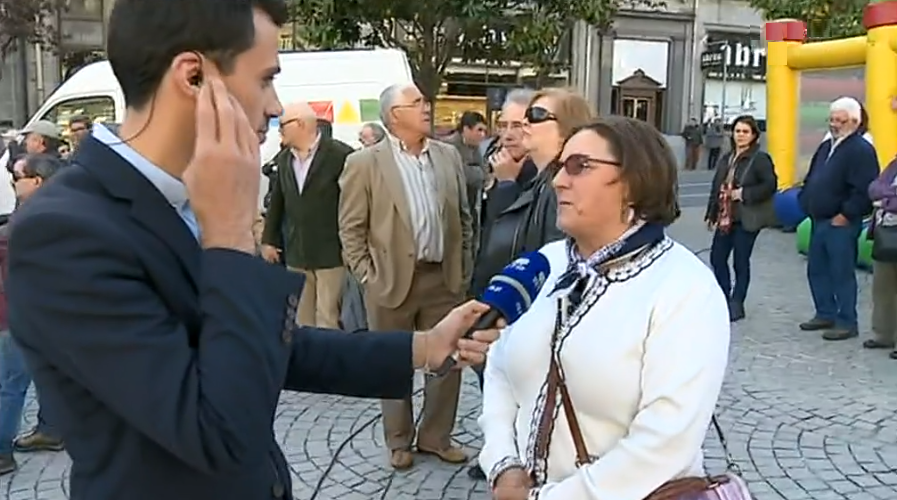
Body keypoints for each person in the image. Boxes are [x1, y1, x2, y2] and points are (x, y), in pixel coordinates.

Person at [6, 2, 499, 499]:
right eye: (265, 79)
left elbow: (267, 344)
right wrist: (229, 237)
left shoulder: (186, 197)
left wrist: (423, 346)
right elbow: (215, 433)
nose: (277, 106)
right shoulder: (63, 233)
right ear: (194, 77)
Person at [478, 116, 730, 499]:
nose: (559, 180)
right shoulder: (544, 265)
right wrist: (503, 464)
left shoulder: (685, 288)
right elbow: (498, 367)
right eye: (560, 166)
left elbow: (666, 441)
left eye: (580, 166)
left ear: (633, 182)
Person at [339, 82, 474, 470]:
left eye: (424, 99)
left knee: (447, 361)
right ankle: (399, 440)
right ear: (394, 116)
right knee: (392, 362)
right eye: (417, 102)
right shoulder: (365, 163)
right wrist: (367, 276)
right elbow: (351, 228)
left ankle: (436, 437)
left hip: (443, 280)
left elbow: (464, 219)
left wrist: (461, 270)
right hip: (390, 280)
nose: (427, 107)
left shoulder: (447, 156)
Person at [0, 154, 67, 475]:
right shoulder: (59, 207)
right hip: (47, 309)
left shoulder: (36, 216)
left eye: (18, 177)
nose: (14, 182)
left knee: (10, 384)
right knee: (47, 372)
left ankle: (1, 452)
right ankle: (51, 429)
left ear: (36, 181)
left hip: (22, 310)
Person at [260, 102, 354, 328]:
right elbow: (277, 203)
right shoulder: (284, 160)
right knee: (302, 319)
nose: (279, 130)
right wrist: (268, 240)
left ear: (301, 124)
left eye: (283, 125)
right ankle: (309, 361)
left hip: (331, 253)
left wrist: (351, 247)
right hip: (297, 252)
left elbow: (353, 205)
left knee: (327, 317)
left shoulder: (340, 155)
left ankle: (330, 362)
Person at [798, 97, 879, 341]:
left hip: (840, 222)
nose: (834, 124)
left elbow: (865, 188)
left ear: (854, 121)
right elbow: (813, 176)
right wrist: (805, 199)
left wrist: (846, 214)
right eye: (832, 119)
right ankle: (825, 312)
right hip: (818, 219)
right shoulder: (826, 146)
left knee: (841, 272)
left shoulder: (861, 150)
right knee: (817, 269)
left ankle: (846, 321)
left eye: (839, 120)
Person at [705, 115, 777, 321]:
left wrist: (744, 193)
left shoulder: (760, 158)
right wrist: (712, 213)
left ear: (754, 135)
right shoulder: (727, 158)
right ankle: (723, 297)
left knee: (740, 261)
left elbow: (769, 185)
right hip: (725, 217)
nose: (741, 136)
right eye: (737, 131)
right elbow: (716, 186)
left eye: (745, 132)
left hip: (746, 218)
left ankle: (737, 303)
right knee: (717, 258)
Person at [866, 156, 897, 356]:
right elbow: (874, 188)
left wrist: (886, 200)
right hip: (885, 232)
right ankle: (883, 334)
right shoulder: (894, 165)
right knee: (883, 287)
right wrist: (890, 195)